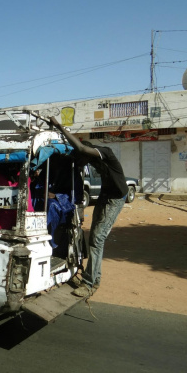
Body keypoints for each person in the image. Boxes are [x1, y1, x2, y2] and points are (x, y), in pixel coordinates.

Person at [49, 117, 128, 297]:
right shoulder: (91, 160)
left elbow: (82, 148)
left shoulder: (105, 152)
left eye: (81, 160)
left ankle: (90, 283)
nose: (80, 164)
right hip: (105, 195)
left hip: (115, 198)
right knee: (93, 236)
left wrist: (59, 126)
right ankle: (89, 275)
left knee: (97, 239)